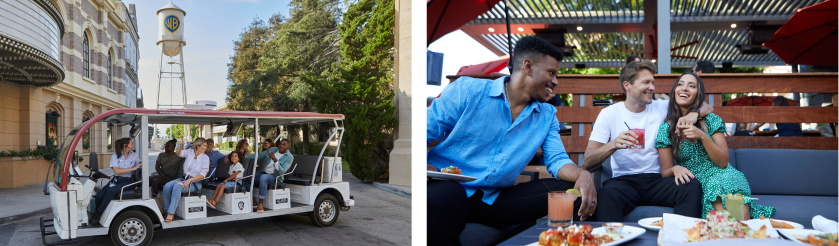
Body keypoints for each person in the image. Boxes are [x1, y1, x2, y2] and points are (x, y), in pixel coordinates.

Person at [427, 36, 596, 245]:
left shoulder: (547, 115)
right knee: (448, 193)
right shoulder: (467, 91)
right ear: (528, 67)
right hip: (448, 190)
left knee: (571, 191)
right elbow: (424, 131)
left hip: (495, 199)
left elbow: (557, 160)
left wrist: (583, 174)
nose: (555, 81)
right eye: (551, 73)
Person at [582, 61, 714, 222]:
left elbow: (706, 106)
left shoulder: (662, 107)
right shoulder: (609, 114)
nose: (652, 87)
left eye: (653, 82)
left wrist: (694, 114)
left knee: (690, 186)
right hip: (624, 181)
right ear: (627, 85)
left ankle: (682, 238)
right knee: (606, 193)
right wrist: (613, 144)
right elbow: (588, 161)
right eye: (646, 82)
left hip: (656, 180)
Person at [656, 72, 775, 219]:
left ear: (697, 94)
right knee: (706, 190)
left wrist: (702, 136)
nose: (684, 88)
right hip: (693, 181)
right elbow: (665, 171)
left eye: (691, 86)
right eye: (680, 84)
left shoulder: (711, 120)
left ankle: (739, 236)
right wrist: (675, 168)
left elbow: (723, 162)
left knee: (725, 182)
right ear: (674, 91)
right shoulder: (666, 128)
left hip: (721, 174)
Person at [92, 138, 141, 224]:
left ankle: (98, 214)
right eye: (131, 144)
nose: (133, 146)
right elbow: (117, 171)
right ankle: (100, 211)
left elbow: (140, 166)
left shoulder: (134, 155)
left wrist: (139, 167)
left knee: (111, 191)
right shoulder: (115, 156)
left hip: (129, 181)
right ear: (125, 146)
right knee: (99, 195)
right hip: (116, 179)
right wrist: (133, 168)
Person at [161, 138, 210, 222]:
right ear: (198, 146)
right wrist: (181, 146)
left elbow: (202, 175)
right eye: (204, 146)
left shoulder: (205, 158)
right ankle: (167, 209)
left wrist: (189, 180)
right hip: (183, 178)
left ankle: (171, 213)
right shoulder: (190, 152)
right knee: (167, 186)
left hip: (195, 182)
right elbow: (178, 153)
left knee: (177, 186)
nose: (206, 148)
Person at [254, 139, 292, 212]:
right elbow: (259, 155)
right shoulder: (273, 149)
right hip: (263, 172)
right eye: (280, 144)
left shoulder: (289, 157)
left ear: (288, 146)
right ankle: (253, 200)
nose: (281, 146)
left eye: (284, 145)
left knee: (263, 177)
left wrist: (275, 160)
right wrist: (243, 156)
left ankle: (260, 202)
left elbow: (282, 172)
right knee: (249, 177)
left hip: (275, 177)